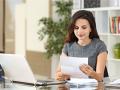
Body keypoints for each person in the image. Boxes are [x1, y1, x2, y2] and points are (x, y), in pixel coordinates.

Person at [55, 10, 109, 82]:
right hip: (73, 86)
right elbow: (57, 74)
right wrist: (61, 75)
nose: (79, 31)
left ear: (91, 28)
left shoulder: (99, 45)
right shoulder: (68, 46)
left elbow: (100, 77)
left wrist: (92, 73)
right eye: (76, 28)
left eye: (84, 27)